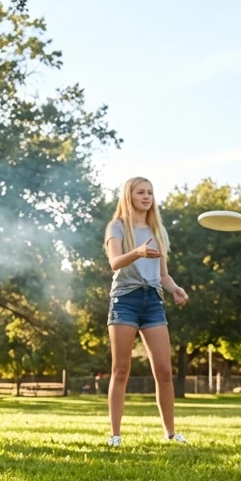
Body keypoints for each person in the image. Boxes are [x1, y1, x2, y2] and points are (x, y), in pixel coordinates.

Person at [103, 177, 190, 446]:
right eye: (140, 192)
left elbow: (162, 274)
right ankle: (115, 435)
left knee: (164, 370)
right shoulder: (117, 226)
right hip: (125, 299)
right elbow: (115, 263)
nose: (146, 196)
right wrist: (138, 252)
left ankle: (171, 433)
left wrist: (175, 289)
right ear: (128, 196)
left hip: (152, 300)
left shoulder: (158, 230)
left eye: (150, 192)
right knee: (121, 369)